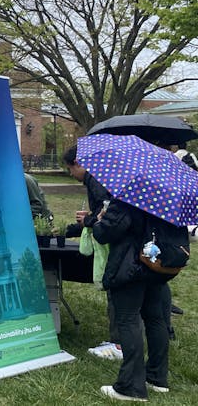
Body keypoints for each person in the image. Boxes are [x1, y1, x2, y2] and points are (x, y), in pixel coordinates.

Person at [63, 146, 171, 401]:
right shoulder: (162, 188)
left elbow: (106, 232)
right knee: (155, 319)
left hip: (130, 265)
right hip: (157, 263)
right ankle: (157, 377)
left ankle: (131, 387)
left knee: (128, 319)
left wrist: (99, 219)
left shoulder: (127, 193)